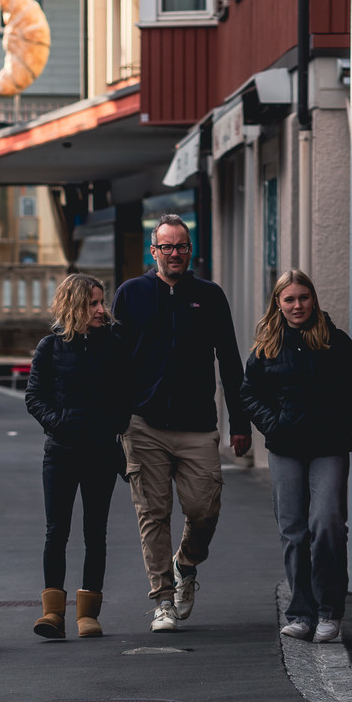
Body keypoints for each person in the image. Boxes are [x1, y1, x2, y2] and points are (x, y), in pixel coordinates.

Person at [113, 214, 252, 633]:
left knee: (204, 508)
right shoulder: (131, 294)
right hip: (143, 424)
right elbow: (115, 363)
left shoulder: (209, 295)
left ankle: (185, 563)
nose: (175, 254)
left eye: (182, 246)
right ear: (153, 251)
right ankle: (163, 600)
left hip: (197, 424)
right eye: (167, 247)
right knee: (153, 514)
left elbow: (229, 358)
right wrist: (115, 424)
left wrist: (240, 422)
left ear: (191, 250)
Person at [240, 270, 352, 643]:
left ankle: (330, 612)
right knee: (294, 532)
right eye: (289, 299)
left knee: (328, 524)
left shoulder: (335, 342)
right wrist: (274, 425)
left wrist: (342, 427)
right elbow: (248, 394)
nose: (297, 305)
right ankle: (301, 613)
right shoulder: (267, 347)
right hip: (286, 449)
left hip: (329, 448)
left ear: (313, 299)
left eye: (303, 297)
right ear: (278, 304)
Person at [24, 273, 130, 640]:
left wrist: (112, 424)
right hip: (61, 453)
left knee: (95, 533)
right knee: (57, 532)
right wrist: (60, 424)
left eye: (102, 302)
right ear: (74, 306)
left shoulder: (114, 344)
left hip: (101, 452)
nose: (102, 310)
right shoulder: (50, 348)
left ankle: (89, 614)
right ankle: (52, 613)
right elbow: (34, 397)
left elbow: (126, 394)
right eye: (93, 303)